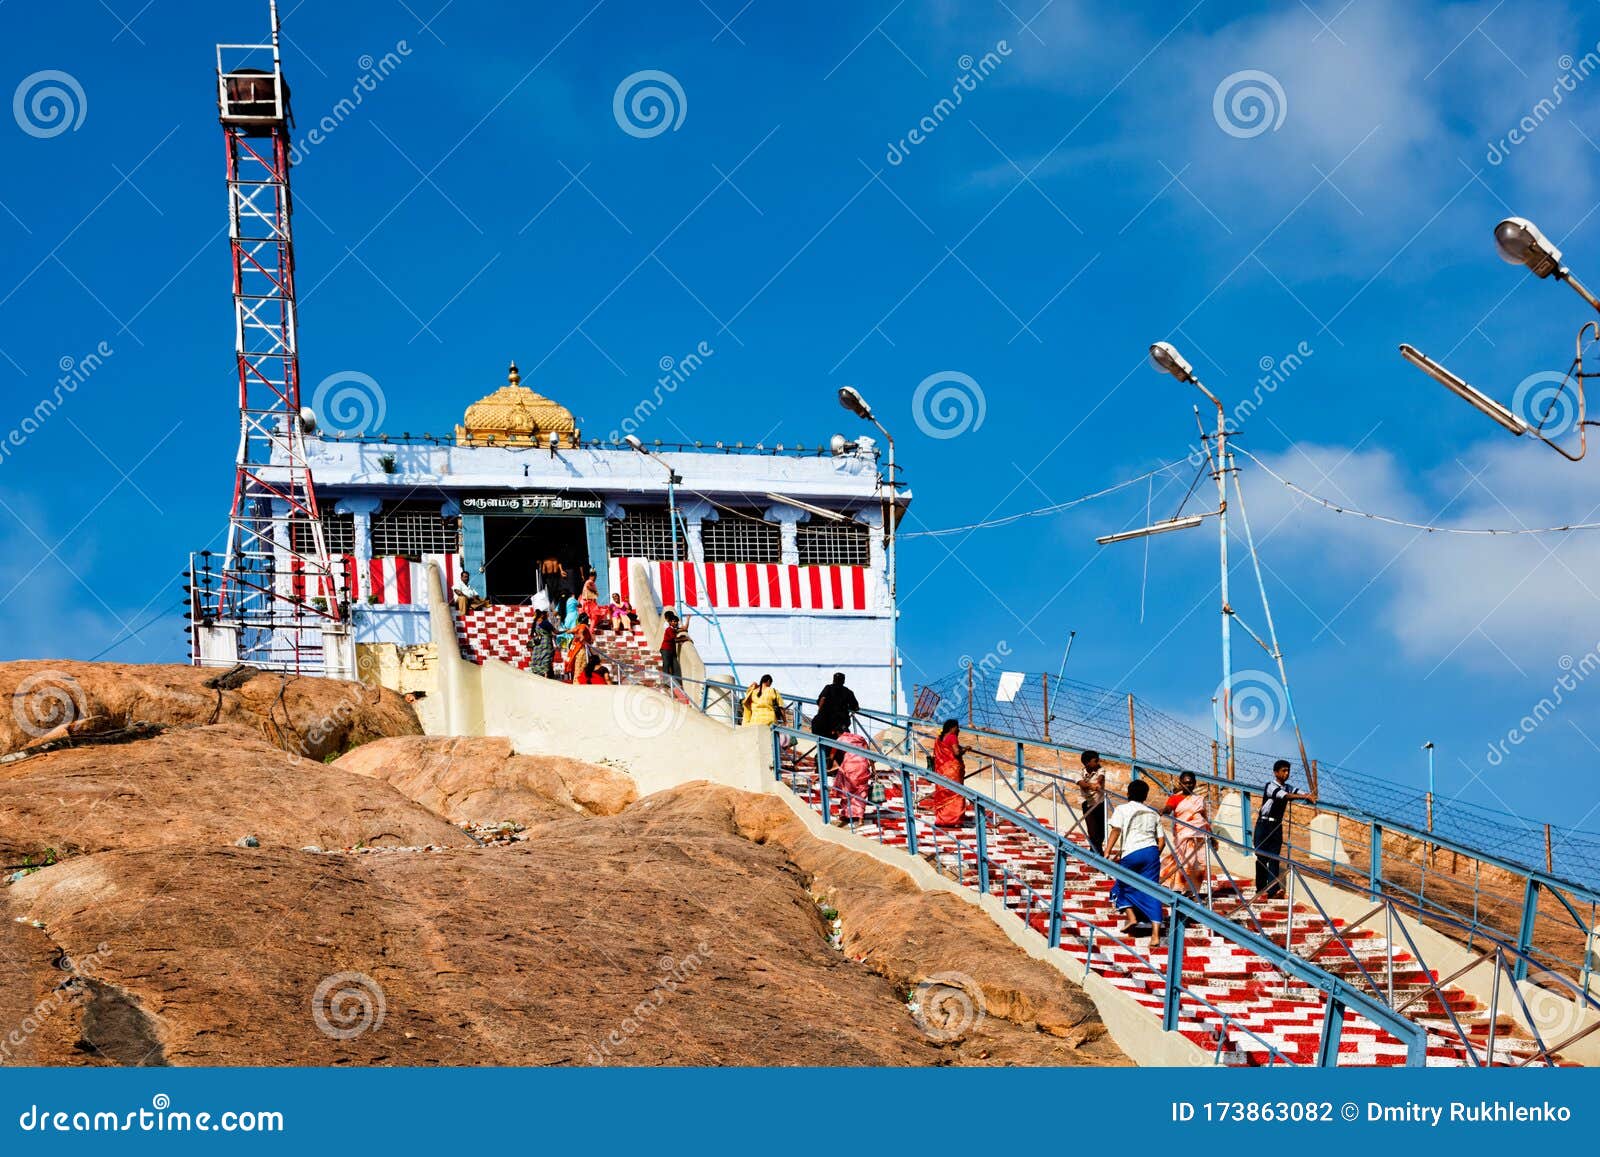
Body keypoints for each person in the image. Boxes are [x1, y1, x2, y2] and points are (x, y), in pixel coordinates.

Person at [1104, 777, 1166, 947]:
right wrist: (1152, 856)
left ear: (1128, 793)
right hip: (1151, 852)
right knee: (1152, 891)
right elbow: (1162, 842)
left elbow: (1116, 830)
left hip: (1131, 852)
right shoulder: (1153, 813)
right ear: (1145, 796)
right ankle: (1155, 936)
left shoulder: (1122, 809)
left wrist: (1107, 851)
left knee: (1120, 886)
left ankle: (1131, 917)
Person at [1255, 759, 1314, 899]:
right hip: (1264, 825)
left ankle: (1273, 890)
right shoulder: (1270, 786)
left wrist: (1308, 795)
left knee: (1275, 857)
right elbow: (1284, 796)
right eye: (1283, 771)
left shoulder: (1288, 787)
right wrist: (1302, 796)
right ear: (1276, 772)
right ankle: (1261, 888)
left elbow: (1299, 792)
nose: (1286, 773)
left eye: (1288, 771)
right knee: (1262, 857)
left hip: (1276, 825)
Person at [1160, 771, 1212, 895]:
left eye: (1191, 783)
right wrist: (1164, 811)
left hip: (1199, 837)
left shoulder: (1199, 799)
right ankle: (1177, 887)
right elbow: (1169, 808)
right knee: (1183, 862)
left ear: (1195, 784)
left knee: (1198, 865)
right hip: (1183, 836)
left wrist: (1212, 836)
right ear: (1180, 783)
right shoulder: (1175, 798)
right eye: (1185, 783)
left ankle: (1190, 890)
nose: (1188, 786)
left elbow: (1204, 818)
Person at [920, 719, 967, 827]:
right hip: (952, 771)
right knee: (956, 794)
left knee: (943, 794)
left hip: (941, 771)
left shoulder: (939, 739)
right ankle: (955, 821)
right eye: (957, 727)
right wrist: (965, 749)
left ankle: (942, 820)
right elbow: (956, 752)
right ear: (952, 728)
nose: (958, 730)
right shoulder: (952, 737)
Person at [811, 672, 860, 769]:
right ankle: (835, 766)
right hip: (839, 725)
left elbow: (822, 699)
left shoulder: (828, 688)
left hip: (823, 722)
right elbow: (856, 707)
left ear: (833, 679)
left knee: (823, 744)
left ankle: (822, 766)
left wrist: (819, 713)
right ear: (843, 681)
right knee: (840, 744)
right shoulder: (848, 692)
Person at [831, 730, 875, 823]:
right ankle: (860, 818)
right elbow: (869, 753)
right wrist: (873, 768)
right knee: (861, 791)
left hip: (850, 765)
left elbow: (832, 755)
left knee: (847, 790)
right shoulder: (860, 738)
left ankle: (846, 814)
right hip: (863, 765)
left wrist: (828, 766)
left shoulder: (841, 738)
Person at [1077, 749, 1107, 855]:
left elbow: (1101, 777)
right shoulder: (1080, 773)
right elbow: (1082, 784)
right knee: (1093, 832)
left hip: (1099, 804)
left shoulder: (1100, 769)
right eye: (1096, 760)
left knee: (1102, 833)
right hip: (1087, 804)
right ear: (1087, 763)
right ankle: (1098, 856)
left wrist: (1098, 783)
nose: (1098, 762)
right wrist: (1091, 786)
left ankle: (1093, 852)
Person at [526, 608, 556, 679]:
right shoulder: (545, 623)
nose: (548, 615)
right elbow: (556, 632)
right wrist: (565, 631)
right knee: (546, 659)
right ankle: (546, 676)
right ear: (542, 615)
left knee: (537, 659)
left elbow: (533, 635)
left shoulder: (535, 622)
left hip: (538, 644)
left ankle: (538, 675)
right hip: (546, 643)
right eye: (546, 613)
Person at [659, 611, 686, 686]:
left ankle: (677, 682)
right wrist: (685, 639)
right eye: (673, 621)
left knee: (675, 666)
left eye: (676, 621)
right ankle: (665, 682)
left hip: (671, 650)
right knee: (666, 665)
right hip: (665, 650)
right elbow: (675, 639)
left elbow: (680, 631)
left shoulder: (673, 630)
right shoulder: (669, 630)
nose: (675, 623)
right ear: (670, 622)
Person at [565, 613, 593, 683]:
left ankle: (577, 685)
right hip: (581, 650)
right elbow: (580, 634)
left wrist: (575, 634)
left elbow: (570, 631)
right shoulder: (583, 626)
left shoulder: (580, 626)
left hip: (579, 650)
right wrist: (579, 635)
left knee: (578, 670)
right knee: (579, 670)